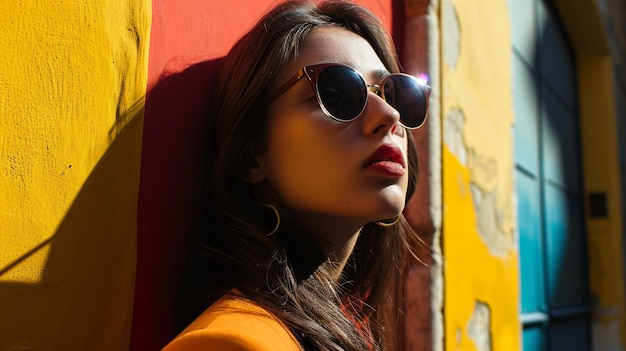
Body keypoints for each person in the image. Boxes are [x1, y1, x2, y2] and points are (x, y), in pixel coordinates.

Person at [163, 0, 430, 350]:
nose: (389, 115)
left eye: (395, 94)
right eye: (337, 92)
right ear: (251, 157)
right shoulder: (231, 343)